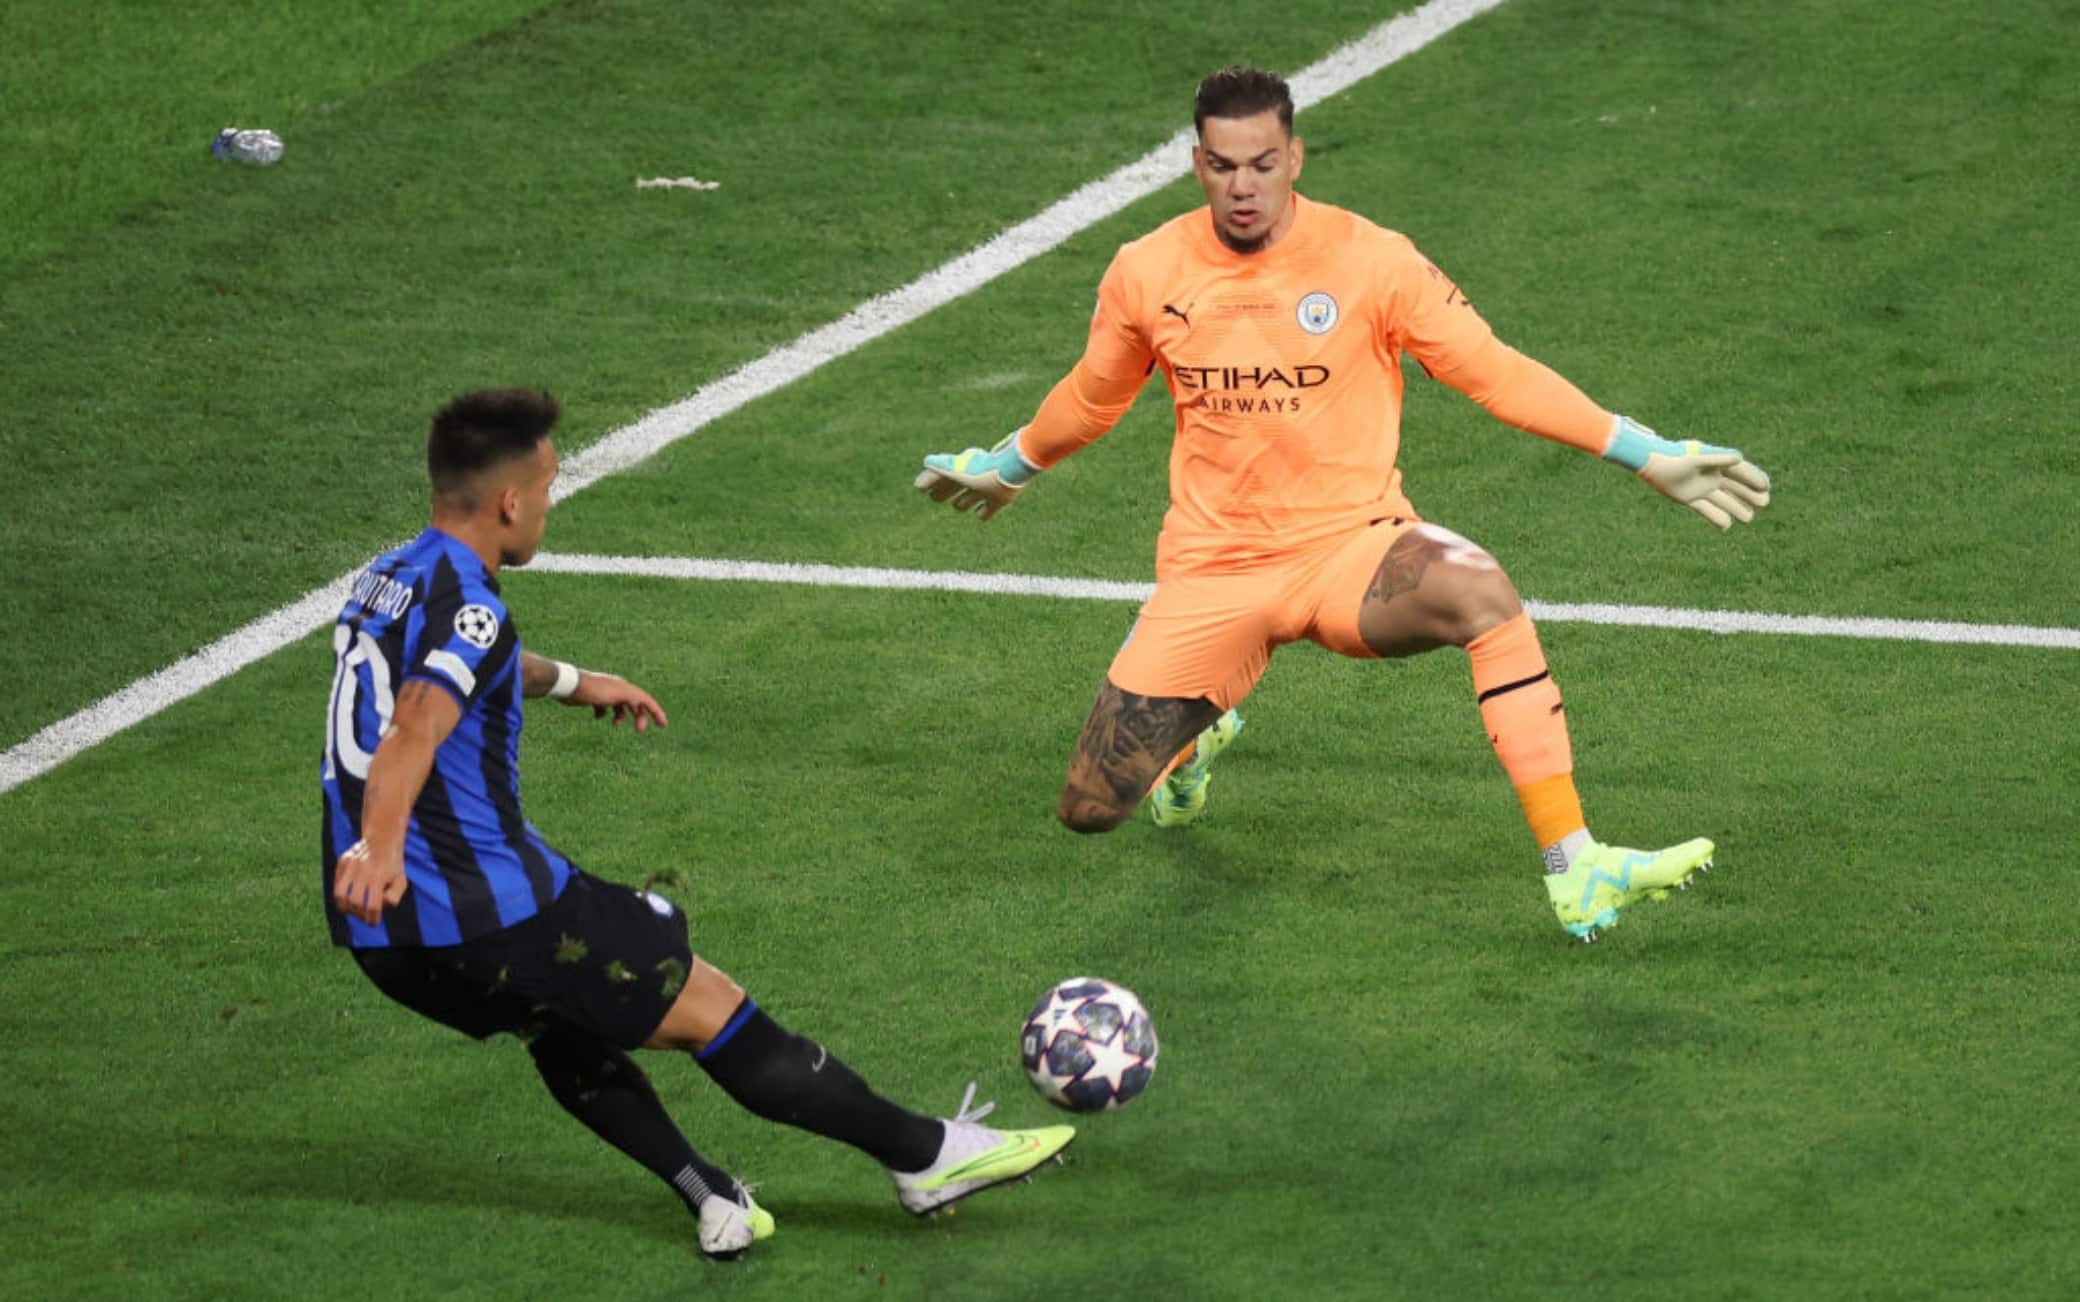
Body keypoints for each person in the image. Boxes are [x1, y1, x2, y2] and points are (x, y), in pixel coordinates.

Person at [916, 67, 1771, 943]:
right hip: (1212, 571)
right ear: (1197, 163)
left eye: (1261, 164)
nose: (1242, 186)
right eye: (1222, 166)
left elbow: (1495, 373)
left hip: (1351, 551)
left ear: (1294, 157)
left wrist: (1645, 453)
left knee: (1481, 591)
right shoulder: (1147, 271)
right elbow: (1093, 397)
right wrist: (1010, 467)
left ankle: (1575, 864)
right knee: (1090, 809)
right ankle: (1192, 742)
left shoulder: (1373, 260)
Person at [324, 388, 1072, 1261]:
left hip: (383, 938)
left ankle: (713, 1198)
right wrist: (383, 845)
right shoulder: (474, 605)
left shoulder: (387, 577)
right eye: (550, 489)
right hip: (484, 905)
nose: (551, 507)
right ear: (510, 502)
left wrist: (576, 682)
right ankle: (924, 1157)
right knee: (707, 1003)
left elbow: (455, 664)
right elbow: (417, 723)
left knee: (553, 1021)